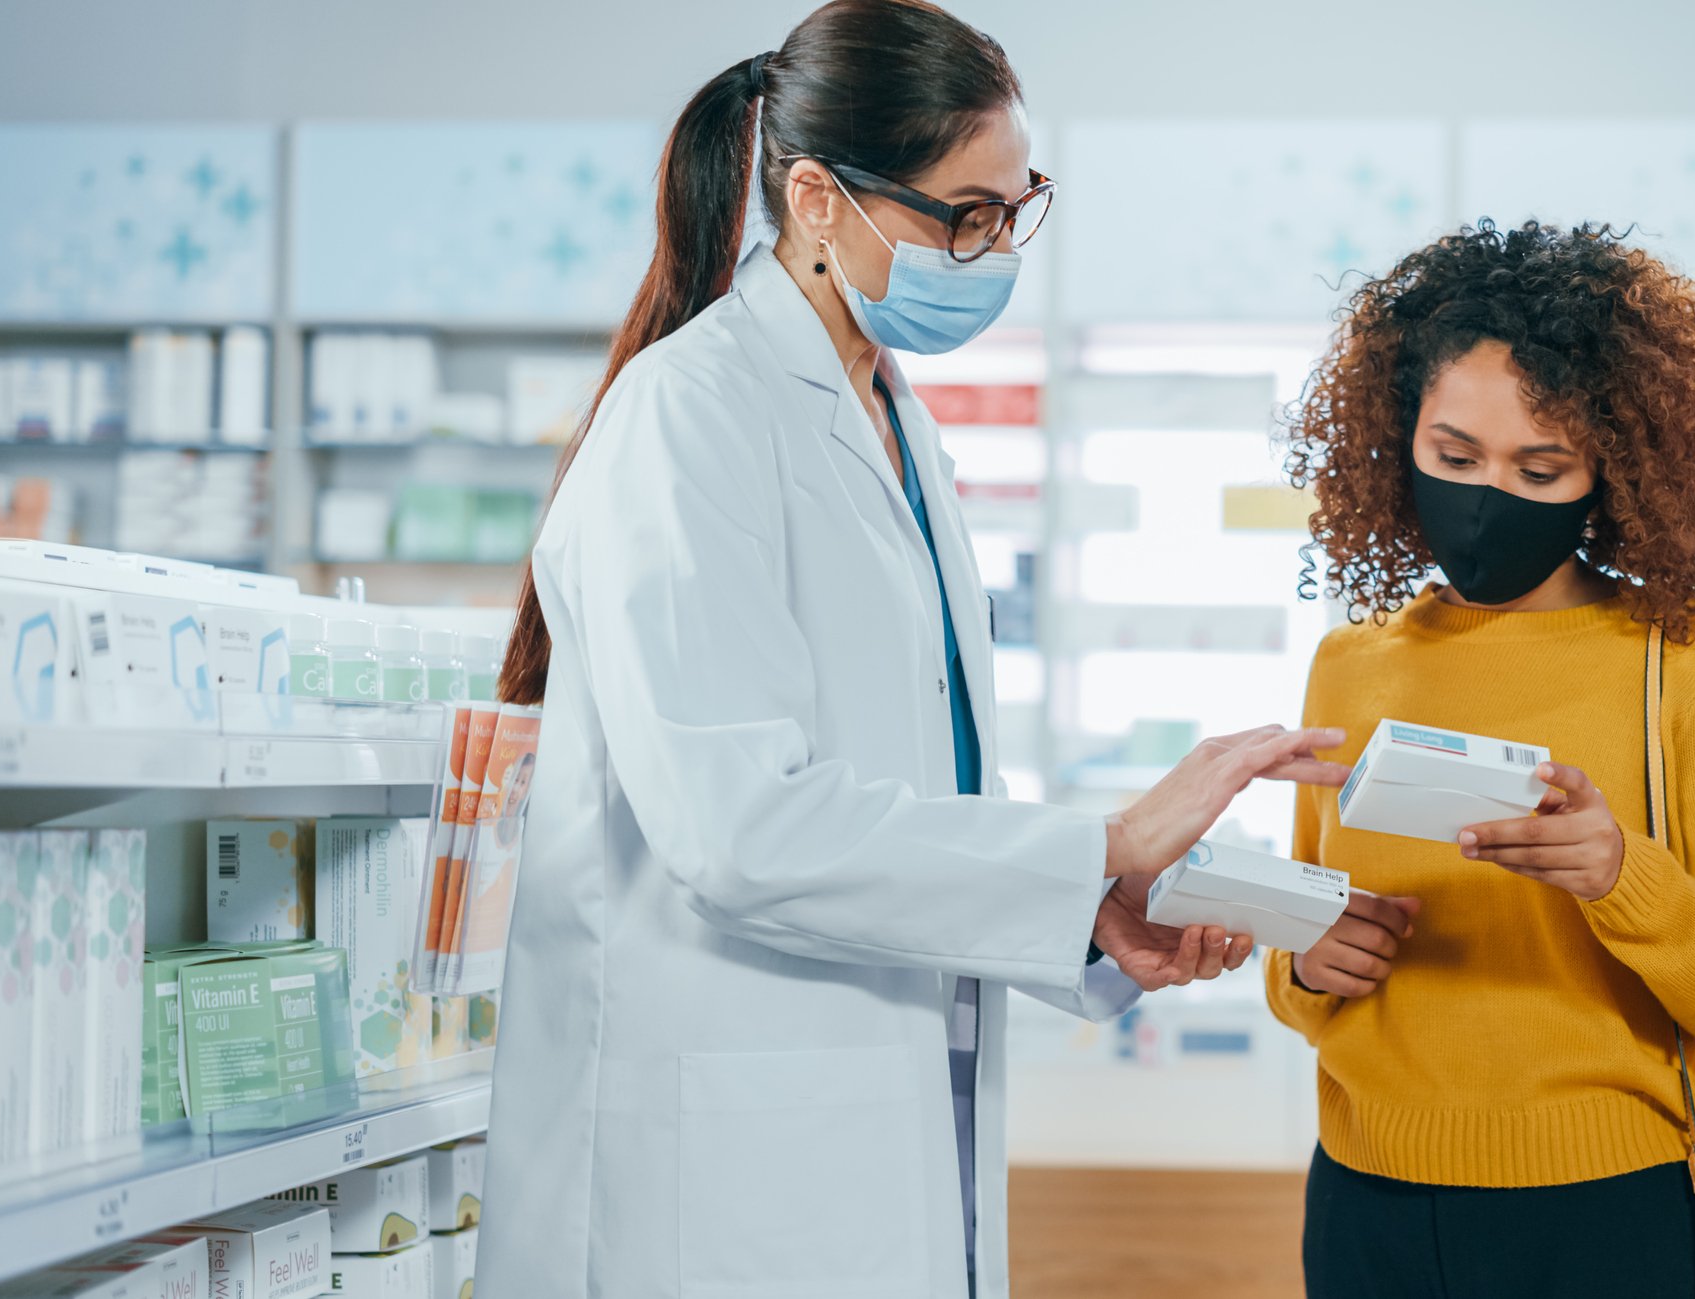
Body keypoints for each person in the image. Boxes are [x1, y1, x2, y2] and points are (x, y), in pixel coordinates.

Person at [475, 4, 1347, 1296]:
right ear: (817, 199)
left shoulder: (895, 423)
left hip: (872, 1126)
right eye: (964, 214)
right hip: (715, 1171)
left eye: (1014, 206)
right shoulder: (690, 417)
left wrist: (1091, 919)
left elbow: (904, 807)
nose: (995, 250)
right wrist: (1096, 845)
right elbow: (740, 827)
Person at [1266, 219, 1695, 1299]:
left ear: (1611, 470)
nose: (1485, 496)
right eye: (1453, 457)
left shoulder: (1693, 662)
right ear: (1396, 437)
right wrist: (1303, 963)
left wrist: (1621, 874)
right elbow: (1307, 954)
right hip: (1365, 1209)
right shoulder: (1349, 665)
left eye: (1540, 466)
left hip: (1616, 1214)